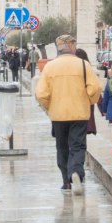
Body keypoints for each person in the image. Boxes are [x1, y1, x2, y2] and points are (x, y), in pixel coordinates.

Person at [34, 34, 103, 195]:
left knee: (62, 147)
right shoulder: (83, 65)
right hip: (79, 113)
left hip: (58, 115)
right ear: (71, 46)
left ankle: (66, 181)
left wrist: (50, 107)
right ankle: (76, 172)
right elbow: (95, 89)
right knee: (78, 146)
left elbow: (41, 93)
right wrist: (89, 101)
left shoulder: (50, 66)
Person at [74, 48, 99, 137]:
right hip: (86, 103)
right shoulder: (88, 68)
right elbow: (96, 87)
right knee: (83, 131)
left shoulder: (72, 70)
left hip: (73, 103)